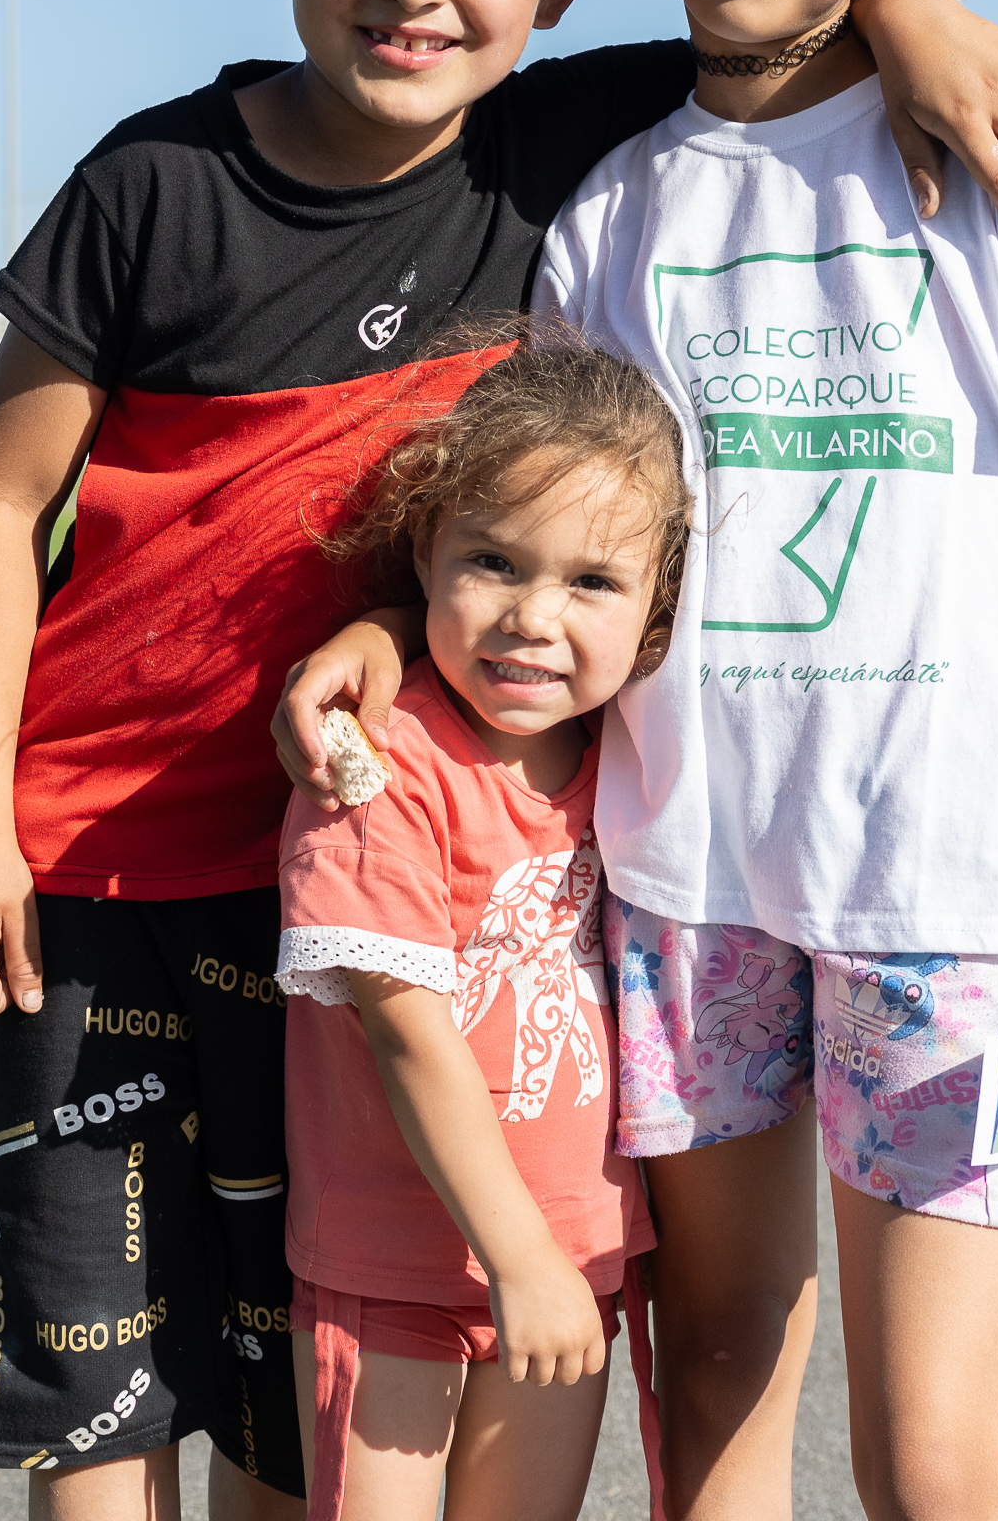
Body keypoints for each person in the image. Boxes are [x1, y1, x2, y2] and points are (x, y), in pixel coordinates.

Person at [0, 0, 998, 1520]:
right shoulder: (152, 181)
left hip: (310, 853)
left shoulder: (547, 151)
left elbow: (783, 2)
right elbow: (1, 505)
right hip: (82, 866)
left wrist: (916, 13)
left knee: (275, 1375)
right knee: (98, 1393)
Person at [277, 0, 998, 1519]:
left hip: (948, 893)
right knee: (709, 1396)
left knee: (935, 1457)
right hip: (685, 883)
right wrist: (384, 618)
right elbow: (555, 516)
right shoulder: (612, 199)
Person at [273, 328, 688, 1521]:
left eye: (593, 581)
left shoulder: (633, 757)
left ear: (656, 604)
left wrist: (557, 1263)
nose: (533, 617)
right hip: (397, 1259)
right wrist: (518, 1258)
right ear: (427, 550)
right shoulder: (373, 766)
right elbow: (406, 1030)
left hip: (578, 1252)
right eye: (496, 560)